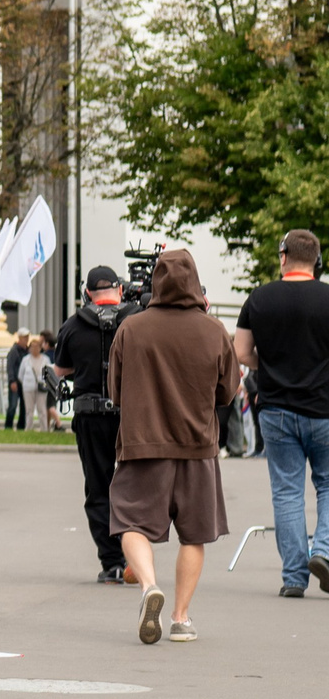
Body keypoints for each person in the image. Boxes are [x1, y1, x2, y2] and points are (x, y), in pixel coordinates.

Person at [108, 249, 235, 643]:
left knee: (129, 522)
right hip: (198, 446)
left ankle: (148, 586)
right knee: (194, 535)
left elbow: (114, 389)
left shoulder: (132, 328)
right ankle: (180, 619)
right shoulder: (213, 330)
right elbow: (228, 392)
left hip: (143, 444)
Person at [234, 229, 329, 599]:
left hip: (275, 409)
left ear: (283, 256)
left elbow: (242, 352)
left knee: (287, 491)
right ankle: (322, 550)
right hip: (324, 409)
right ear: (317, 261)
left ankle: (293, 577)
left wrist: (269, 365)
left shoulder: (259, 298)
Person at [54, 267, 129, 582]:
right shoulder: (136, 320)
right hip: (131, 415)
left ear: (87, 294)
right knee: (133, 486)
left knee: (98, 488)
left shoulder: (73, 326)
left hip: (90, 416)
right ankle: (137, 555)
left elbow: (60, 371)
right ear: (120, 291)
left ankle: (111, 562)